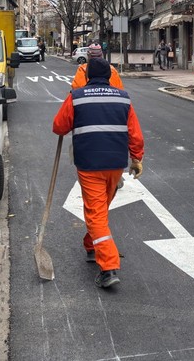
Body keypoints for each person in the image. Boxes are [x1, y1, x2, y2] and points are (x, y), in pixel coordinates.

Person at [52, 57, 145, 288]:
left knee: (95, 212)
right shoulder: (123, 98)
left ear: (87, 76)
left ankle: (109, 267)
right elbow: (135, 133)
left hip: (89, 164)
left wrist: (71, 103)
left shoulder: (77, 97)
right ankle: (92, 246)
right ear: (110, 76)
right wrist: (136, 158)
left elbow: (58, 127)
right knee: (100, 210)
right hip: (115, 164)